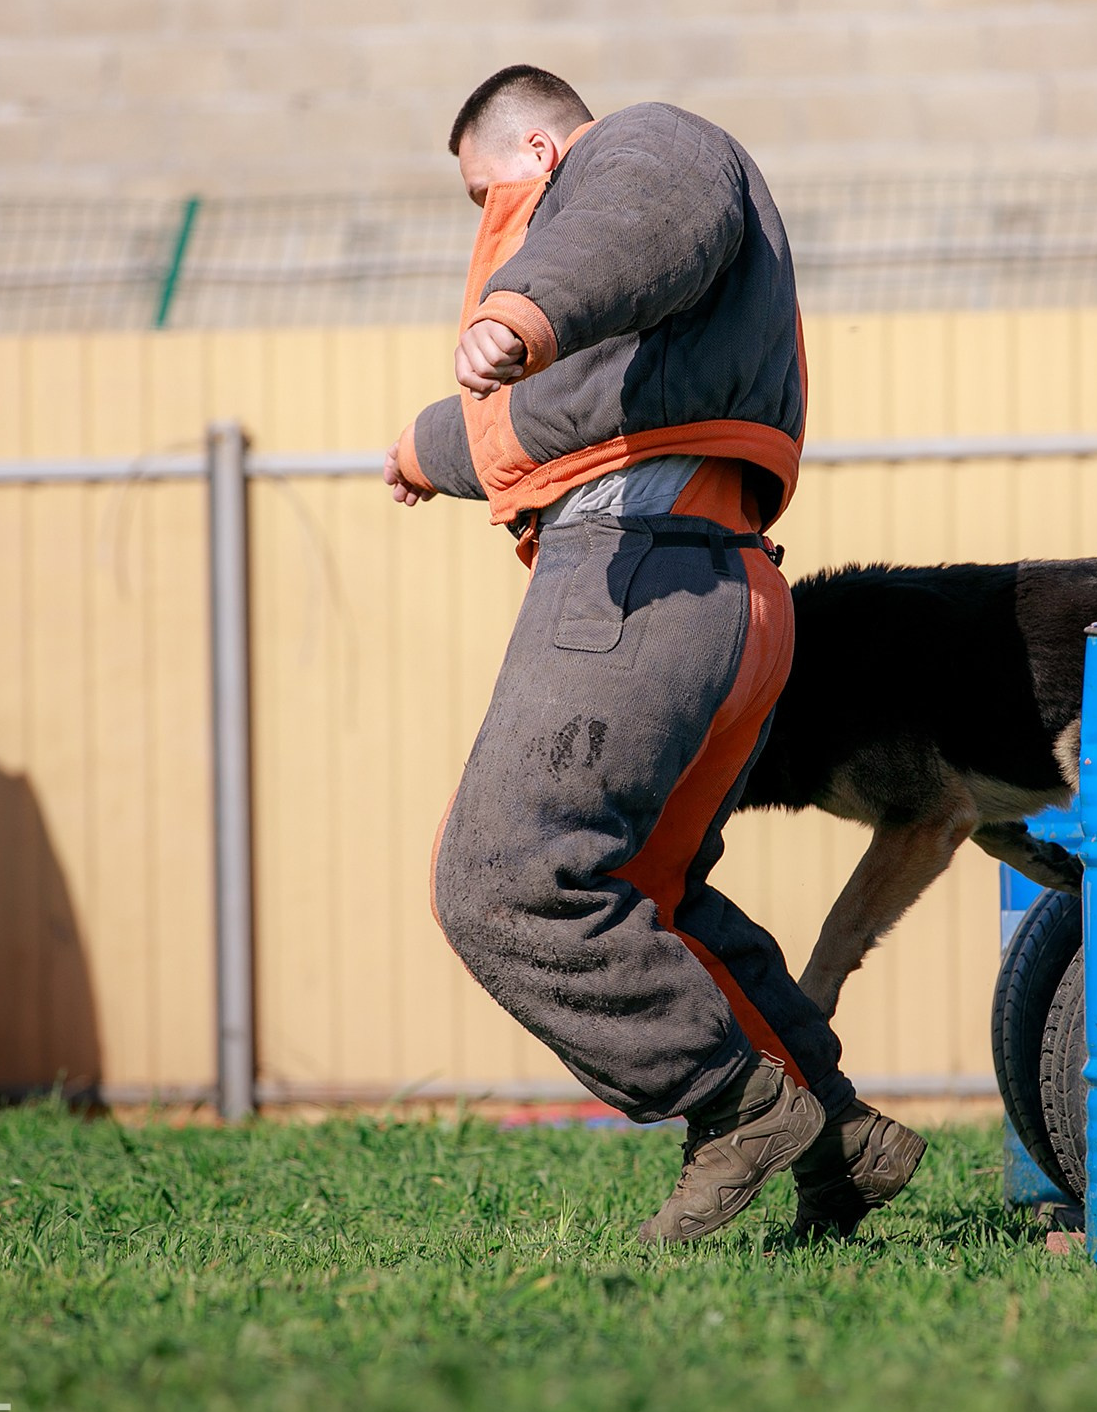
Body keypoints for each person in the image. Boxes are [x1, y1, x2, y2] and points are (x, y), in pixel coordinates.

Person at [383, 65, 926, 1243]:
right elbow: (581, 408)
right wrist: (428, 447)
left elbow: (629, 238)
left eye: (488, 196)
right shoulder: (639, 308)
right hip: (715, 580)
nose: (498, 227)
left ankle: (733, 1108)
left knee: (507, 879)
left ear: (534, 155)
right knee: (649, 893)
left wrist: (516, 310)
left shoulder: (643, 149)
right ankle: (837, 1131)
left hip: (637, 575)